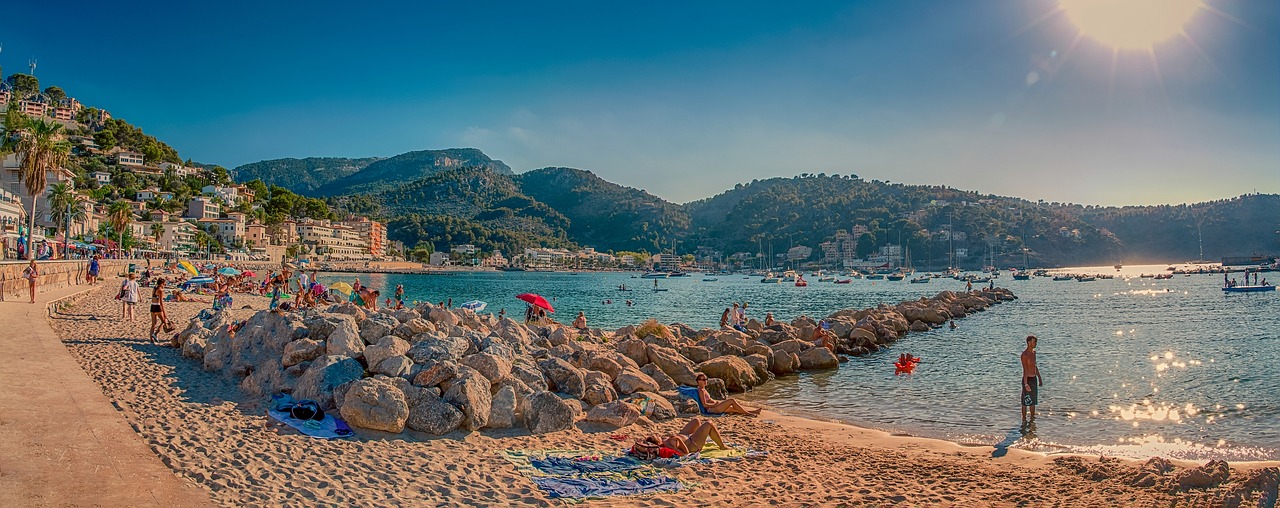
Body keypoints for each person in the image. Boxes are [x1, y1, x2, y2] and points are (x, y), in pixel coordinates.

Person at [633, 417, 726, 458]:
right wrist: (678, 440)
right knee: (708, 424)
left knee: (696, 421)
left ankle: (701, 434)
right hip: (692, 445)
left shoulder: (664, 440)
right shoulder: (667, 445)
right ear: (658, 442)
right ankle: (722, 446)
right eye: (656, 436)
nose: (657, 435)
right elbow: (685, 453)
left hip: (686, 436)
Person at [695, 373, 761, 416]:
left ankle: (752, 411)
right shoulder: (701, 391)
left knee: (732, 409)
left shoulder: (703, 389)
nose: (705, 381)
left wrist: (717, 402)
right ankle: (749, 413)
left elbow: (709, 400)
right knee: (732, 400)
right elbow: (704, 404)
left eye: (706, 379)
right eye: (703, 379)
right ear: (698, 381)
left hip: (715, 407)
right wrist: (715, 404)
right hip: (713, 409)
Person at [1021, 335, 1042, 422]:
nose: (1035, 343)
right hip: (1027, 379)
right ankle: (1024, 419)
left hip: (1033, 378)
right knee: (1026, 401)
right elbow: (1025, 370)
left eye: (1036, 342)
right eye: (1034, 342)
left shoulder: (1034, 353)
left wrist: (1039, 378)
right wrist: (1026, 384)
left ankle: (1032, 420)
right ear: (1029, 342)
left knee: (1033, 401)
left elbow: (1035, 366)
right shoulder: (1024, 355)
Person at [149, 278, 173, 345]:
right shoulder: (160, 290)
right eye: (164, 283)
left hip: (152, 306)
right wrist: (164, 312)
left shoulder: (154, 289)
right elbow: (161, 302)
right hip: (158, 306)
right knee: (163, 321)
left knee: (153, 324)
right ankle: (155, 334)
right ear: (162, 283)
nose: (165, 284)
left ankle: (151, 339)